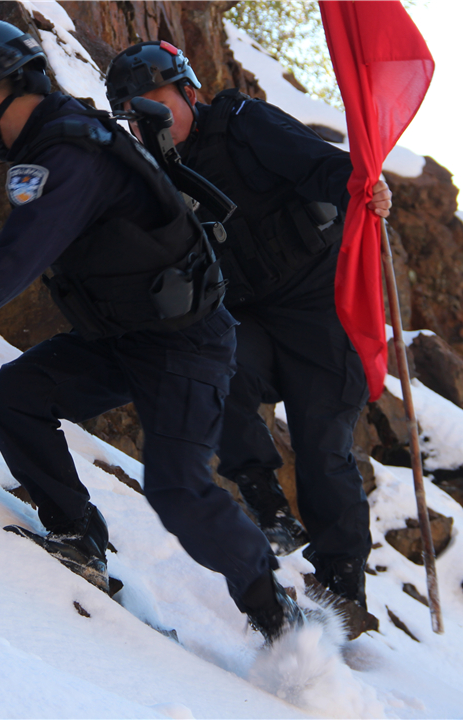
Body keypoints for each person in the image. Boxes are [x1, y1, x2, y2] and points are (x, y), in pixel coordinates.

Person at [0, 20, 301, 644]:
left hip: (185, 344)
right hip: (122, 336)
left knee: (178, 490)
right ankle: (77, 535)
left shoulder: (70, 155)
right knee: (16, 398)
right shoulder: (55, 144)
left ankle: (277, 614)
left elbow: (15, 260)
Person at [105, 41, 392, 612]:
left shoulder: (243, 122)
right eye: (132, 115)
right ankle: (266, 503)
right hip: (248, 312)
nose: (145, 123)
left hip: (320, 305)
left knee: (323, 443)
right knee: (214, 364)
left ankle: (342, 587)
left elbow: (327, 167)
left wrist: (366, 191)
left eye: (153, 104)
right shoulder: (154, 173)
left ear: (188, 92)